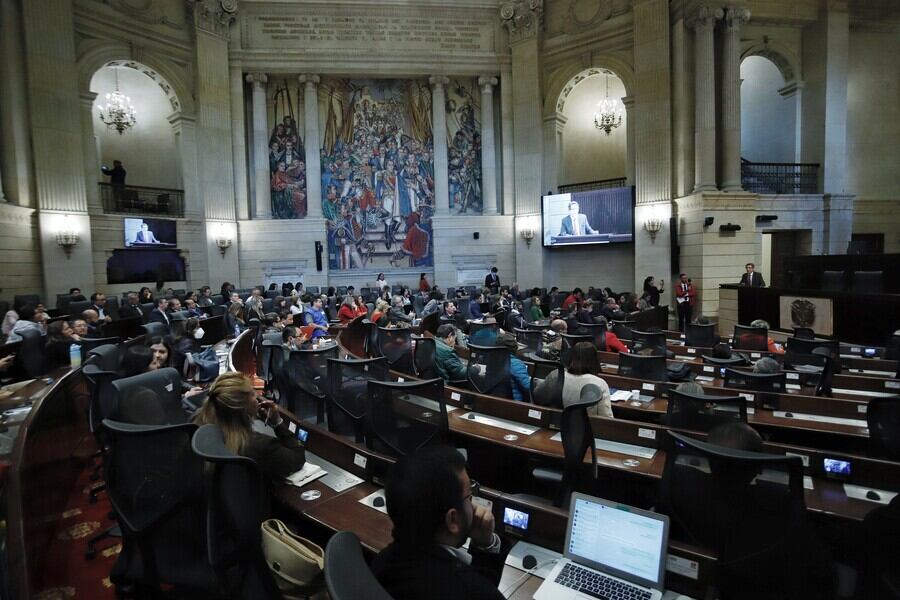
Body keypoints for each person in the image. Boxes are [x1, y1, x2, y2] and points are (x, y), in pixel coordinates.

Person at [372, 445, 509, 600]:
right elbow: (475, 588)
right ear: (452, 519)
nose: (474, 506)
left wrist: (485, 545)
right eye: (469, 497)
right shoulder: (471, 591)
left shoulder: (380, 564)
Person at [193, 371, 306, 481]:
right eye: (252, 394)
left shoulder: (198, 424)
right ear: (243, 407)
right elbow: (298, 457)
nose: (257, 396)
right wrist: (277, 422)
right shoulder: (260, 446)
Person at [533, 342, 613, 417]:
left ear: (572, 357)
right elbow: (606, 418)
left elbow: (537, 396)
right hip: (588, 429)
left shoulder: (557, 374)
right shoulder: (600, 383)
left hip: (556, 423)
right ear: (595, 360)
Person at [496, 332, 531, 402]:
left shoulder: (492, 361)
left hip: (493, 402)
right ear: (515, 348)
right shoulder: (515, 363)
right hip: (513, 406)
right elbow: (528, 388)